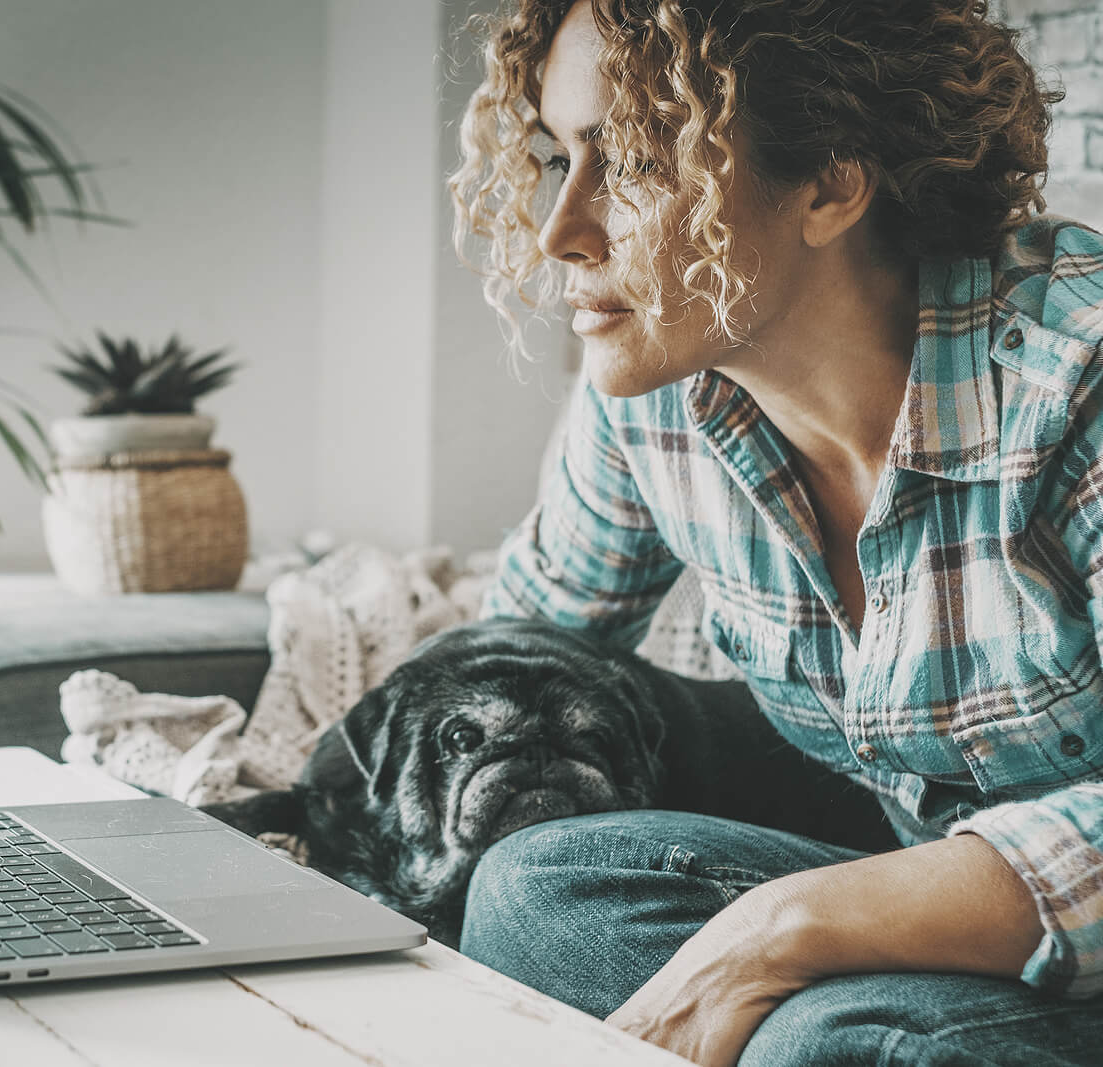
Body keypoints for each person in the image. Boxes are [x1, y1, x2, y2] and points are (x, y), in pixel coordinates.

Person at [447, 0, 1103, 1064]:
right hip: (949, 941)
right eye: (557, 156)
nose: (560, 230)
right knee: (531, 891)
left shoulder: (1076, 378)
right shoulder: (651, 398)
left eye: (632, 160)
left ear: (831, 179)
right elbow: (515, 651)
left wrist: (775, 931)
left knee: (830, 1033)